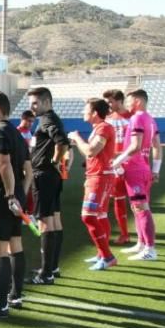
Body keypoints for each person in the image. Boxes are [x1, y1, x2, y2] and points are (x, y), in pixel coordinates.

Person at [0, 92, 32, 318]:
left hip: (1, 196)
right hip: (15, 195)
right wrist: (20, 194)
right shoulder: (17, 133)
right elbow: (28, 171)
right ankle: (15, 294)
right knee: (15, 245)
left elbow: (4, 163)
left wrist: (10, 194)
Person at [112, 89, 162, 261]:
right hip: (143, 170)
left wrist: (117, 161)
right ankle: (142, 243)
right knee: (137, 207)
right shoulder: (150, 119)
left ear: (138, 101)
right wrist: (155, 169)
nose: (126, 104)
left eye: (129, 100)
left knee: (141, 208)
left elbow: (135, 146)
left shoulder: (137, 118)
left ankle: (150, 249)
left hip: (135, 170)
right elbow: (157, 146)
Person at [26, 87, 69, 285]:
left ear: (46, 102)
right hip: (51, 176)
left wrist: (54, 161)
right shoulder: (51, 118)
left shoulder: (47, 120)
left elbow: (62, 142)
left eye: (35, 103)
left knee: (45, 221)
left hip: (43, 176)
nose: (32, 107)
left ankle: (45, 273)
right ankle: (52, 267)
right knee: (54, 219)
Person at [68, 98, 117, 270]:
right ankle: (102, 253)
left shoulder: (103, 128)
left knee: (88, 216)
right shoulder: (99, 128)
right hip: (98, 176)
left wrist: (76, 138)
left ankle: (107, 256)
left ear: (95, 113)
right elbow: (92, 155)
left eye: (85, 109)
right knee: (100, 216)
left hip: (100, 178)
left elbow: (91, 150)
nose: (83, 112)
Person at [102, 89, 133, 245]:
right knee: (118, 200)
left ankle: (144, 237)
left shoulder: (132, 118)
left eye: (111, 101)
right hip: (114, 164)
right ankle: (124, 234)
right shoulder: (107, 119)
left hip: (132, 163)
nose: (108, 104)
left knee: (137, 201)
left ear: (120, 101)